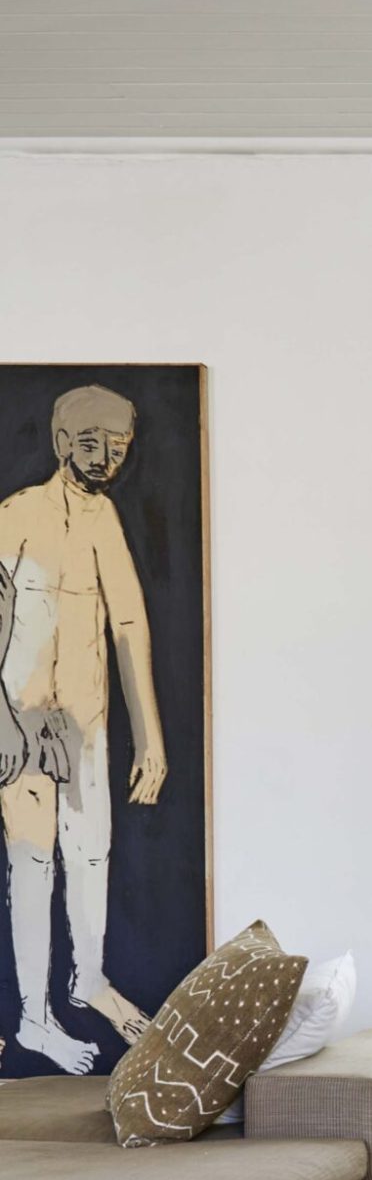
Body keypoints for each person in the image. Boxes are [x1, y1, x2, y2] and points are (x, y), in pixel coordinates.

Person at [0, 384, 166, 1072]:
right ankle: (35, 1018)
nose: (105, 459)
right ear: (63, 443)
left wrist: (151, 738)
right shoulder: (18, 514)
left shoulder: (106, 521)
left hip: (87, 723)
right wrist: (4, 721)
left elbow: (130, 627)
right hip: (25, 721)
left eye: (118, 447)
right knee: (33, 864)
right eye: (91, 444)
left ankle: (88, 978)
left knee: (91, 855)